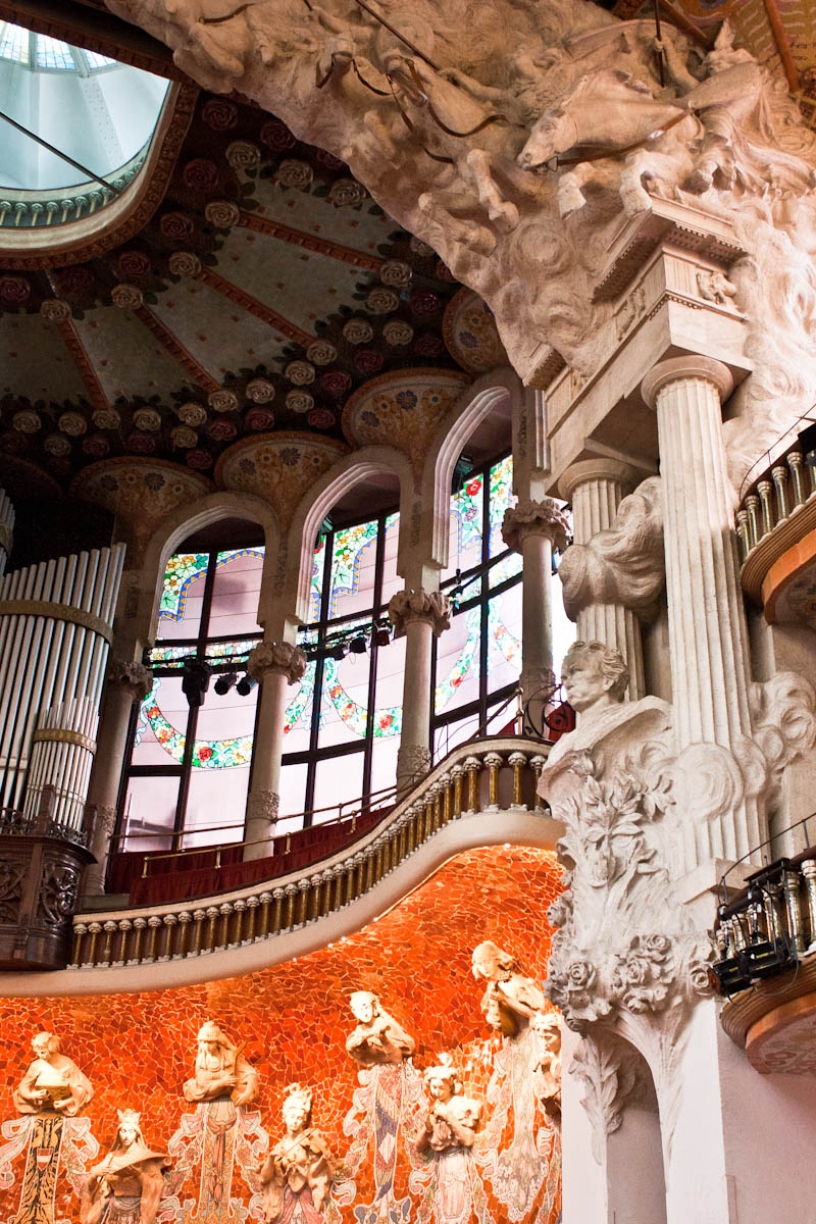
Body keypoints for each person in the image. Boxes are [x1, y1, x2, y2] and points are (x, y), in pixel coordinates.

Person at [258, 1083, 334, 1223]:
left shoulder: (310, 1142)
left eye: (299, 1118)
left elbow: (318, 1171)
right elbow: (264, 1178)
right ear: (285, 1116)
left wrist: (323, 1158)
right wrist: (271, 1159)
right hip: (286, 1197)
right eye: (292, 1117)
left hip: (306, 1196)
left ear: (304, 1119)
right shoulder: (281, 1147)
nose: (295, 1121)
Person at [80, 1109, 169, 1224]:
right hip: (113, 1208)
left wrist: (139, 1176)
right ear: (118, 1133)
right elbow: (93, 1181)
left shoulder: (144, 1157)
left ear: (137, 1134)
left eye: (131, 1131)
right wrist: (95, 1175)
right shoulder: (112, 1157)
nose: (126, 1136)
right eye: (123, 1131)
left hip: (137, 1209)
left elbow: (156, 1182)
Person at [471, 941, 546, 1037]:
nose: (484, 968)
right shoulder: (492, 985)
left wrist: (505, 998)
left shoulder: (514, 982)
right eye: (480, 964)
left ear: (497, 960)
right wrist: (492, 1018)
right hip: (513, 1041)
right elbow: (492, 1012)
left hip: (530, 1037)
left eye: (487, 962)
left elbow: (536, 1013)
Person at [14, 1031, 93, 1117]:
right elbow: (23, 1087)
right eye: (38, 1053)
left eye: (43, 1052)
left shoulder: (67, 1064)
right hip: (40, 1114)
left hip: (64, 1114)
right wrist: (32, 1095)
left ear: (52, 1048)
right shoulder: (36, 1066)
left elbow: (83, 1089)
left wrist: (66, 1102)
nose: (40, 1056)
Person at [182, 1020, 259, 1106]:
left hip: (230, 1086)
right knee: (190, 1089)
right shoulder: (202, 1059)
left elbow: (250, 1072)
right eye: (203, 1042)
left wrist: (247, 1092)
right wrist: (221, 1082)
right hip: (208, 1088)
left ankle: (229, 1091)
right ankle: (223, 1089)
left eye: (210, 1042)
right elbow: (202, 1084)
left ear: (218, 1042)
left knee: (248, 1092)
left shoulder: (229, 1056)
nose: (206, 1047)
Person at [419, 1057, 482, 1153]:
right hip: (438, 1163)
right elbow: (418, 1147)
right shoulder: (434, 1109)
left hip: (457, 1161)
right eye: (434, 1087)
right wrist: (427, 1129)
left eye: (441, 1088)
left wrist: (448, 1117)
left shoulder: (460, 1105)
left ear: (450, 1087)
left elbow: (468, 1140)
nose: (437, 1092)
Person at [345, 991, 415, 1067]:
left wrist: (384, 1039)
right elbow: (351, 1047)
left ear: (373, 1007)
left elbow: (398, 1059)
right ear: (355, 1012)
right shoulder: (359, 1030)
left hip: (397, 1069)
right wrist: (365, 1037)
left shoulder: (383, 1025)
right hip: (378, 1071)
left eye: (366, 1008)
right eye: (360, 1009)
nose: (365, 1013)